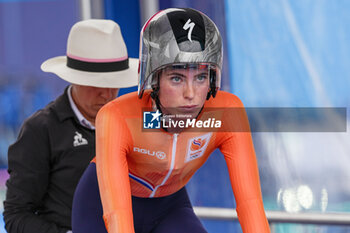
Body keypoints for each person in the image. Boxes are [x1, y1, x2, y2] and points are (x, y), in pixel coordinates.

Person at [72, 8, 270, 233]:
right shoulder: (116, 116)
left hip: (168, 207)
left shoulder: (227, 112)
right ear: (153, 80)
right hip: (100, 207)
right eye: (176, 78)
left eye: (201, 77)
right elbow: (118, 218)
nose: (190, 93)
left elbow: (250, 204)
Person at [3, 19, 138, 233]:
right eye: (96, 84)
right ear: (74, 79)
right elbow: (16, 215)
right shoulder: (41, 130)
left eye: (114, 83)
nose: (106, 93)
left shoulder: (134, 122)